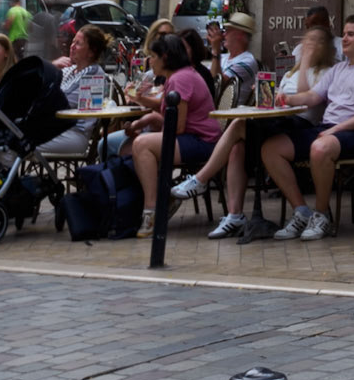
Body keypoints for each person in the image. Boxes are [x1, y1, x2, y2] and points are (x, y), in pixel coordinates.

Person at [172, 24, 338, 237]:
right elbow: (283, 95)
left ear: (326, 47)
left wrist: (305, 60)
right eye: (307, 40)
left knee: (240, 126)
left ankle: (201, 180)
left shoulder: (326, 72)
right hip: (281, 120)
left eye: (316, 41)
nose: (309, 45)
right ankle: (234, 214)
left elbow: (304, 95)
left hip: (301, 124)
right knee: (237, 145)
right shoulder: (292, 72)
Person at [261, 14, 354, 242]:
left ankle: (321, 215)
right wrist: (287, 99)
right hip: (330, 130)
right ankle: (302, 211)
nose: (345, 39)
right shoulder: (338, 69)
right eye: (345, 34)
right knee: (271, 149)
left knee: (320, 148)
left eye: (352, 34)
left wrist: (336, 129)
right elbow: (312, 96)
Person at [126, 32, 223, 238]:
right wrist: (144, 108)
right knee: (131, 145)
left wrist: (151, 128)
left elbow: (177, 127)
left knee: (142, 144)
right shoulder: (179, 75)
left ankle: (151, 211)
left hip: (202, 142)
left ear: (166, 57)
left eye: (153, 56)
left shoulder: (180, 79)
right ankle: (147, 201)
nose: (149, 61)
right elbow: (170, 116)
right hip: (192, 137)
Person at [37, 25, 112, 160]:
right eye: (73, 42)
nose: (72, 46)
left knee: (19, 143)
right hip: (55, 128)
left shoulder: (94, 75)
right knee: (14, 138)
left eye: (78, 43)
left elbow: (61, 101)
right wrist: (52, 66)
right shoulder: (69, 69)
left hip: (74, 134)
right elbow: (40, 87)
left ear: (91, 51)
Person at [206, 12, 259, 105]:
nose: (224, 35)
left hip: (228, 116)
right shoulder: (222, 57)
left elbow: (217, 86)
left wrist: (216, 51)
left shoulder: (247, 61)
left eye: (228, 30)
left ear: (239, 34)